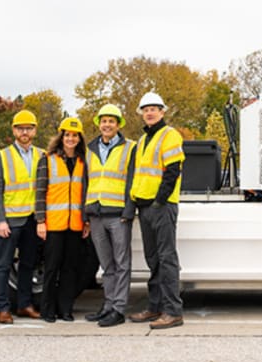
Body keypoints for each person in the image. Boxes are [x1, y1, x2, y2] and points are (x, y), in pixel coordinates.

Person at [126, 92, 185, 330]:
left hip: (161, 206)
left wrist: (160, 201)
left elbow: (172, 171)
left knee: (166, 258)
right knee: (154, 260)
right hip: (145, 206)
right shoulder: (142, 141)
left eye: (154, 108)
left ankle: (173, 311)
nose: (149, 112)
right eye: (146, 109)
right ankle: (156, 306)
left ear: (162, 112)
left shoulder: (169, 135)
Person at [0, 109, 44, 324]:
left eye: (29, 128)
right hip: (10, 221)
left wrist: (41, 219)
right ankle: (3, 308)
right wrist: (0, 220)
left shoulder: (41, 155)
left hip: (32, 219)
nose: (25, 132)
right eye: (21, 128)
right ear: (14, 130)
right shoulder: (2, 156)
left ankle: (24, 305)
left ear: (34, 130)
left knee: (28, 265)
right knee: (2, 265)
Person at [83, 104, 135, 327]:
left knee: (122, 263)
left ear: (118, 124)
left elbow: (133, 180)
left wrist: (129, 210)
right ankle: (108, 305)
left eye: (111, 121)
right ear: (99, 124)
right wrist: (85, 214)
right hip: (96, 214)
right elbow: (86, 181)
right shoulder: (90, 149)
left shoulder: (129, 148)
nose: (107, 125)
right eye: (103, 121)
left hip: (118, 215)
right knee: (106, 265)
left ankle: (119, 309)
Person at [35, 116, 90, 323]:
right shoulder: (47, 159)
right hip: (53, 224)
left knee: (70, 269)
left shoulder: (83, 162)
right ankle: (47, 310)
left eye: (74, 135)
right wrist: (40, 220)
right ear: (61, 137)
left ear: (79, 139)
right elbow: (39, 192)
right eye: (67, 135)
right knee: (51, 268)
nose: (71, 139)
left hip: (75, 225)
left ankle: (65, 310)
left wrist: (86, 221)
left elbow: (86, 194)